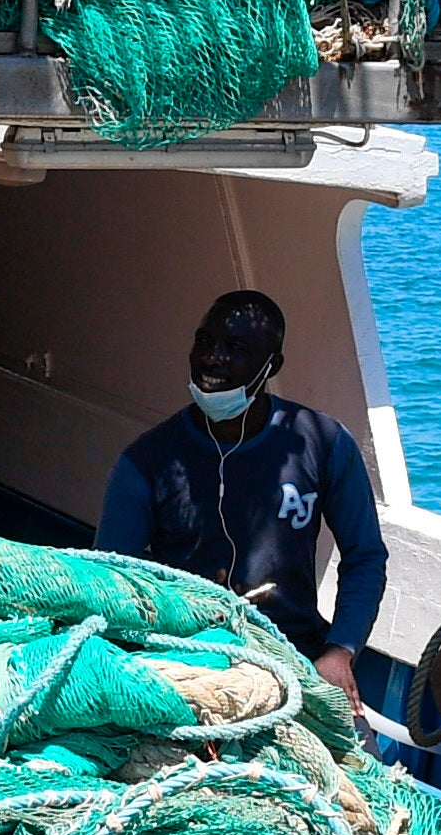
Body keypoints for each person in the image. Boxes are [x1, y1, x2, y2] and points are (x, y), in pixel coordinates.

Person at [98, 288, 387, 699]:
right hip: (182, 657)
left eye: (235, 348)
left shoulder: (324, 443)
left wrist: (339, 652)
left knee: (364, 763)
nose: (212, 359)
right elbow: (112, 579)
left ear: (272, 365)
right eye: (204, 342)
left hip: (296, 654)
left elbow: (365, 556)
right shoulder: (144, 462)